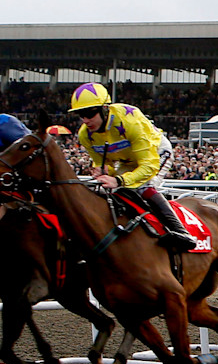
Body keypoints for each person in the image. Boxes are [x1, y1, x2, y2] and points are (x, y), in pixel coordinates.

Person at [67, 82, 196, 252]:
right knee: (110, 190)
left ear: (105, 109)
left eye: (90, 113)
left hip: (155, 152)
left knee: (143, 186)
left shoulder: (129, 120)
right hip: (128, 160)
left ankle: (182, 232)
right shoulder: (85, 135)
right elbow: (104, 163)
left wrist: (118, 180)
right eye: (80, 115)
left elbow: (148, 166)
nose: (85, 120)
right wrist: (102, 170)